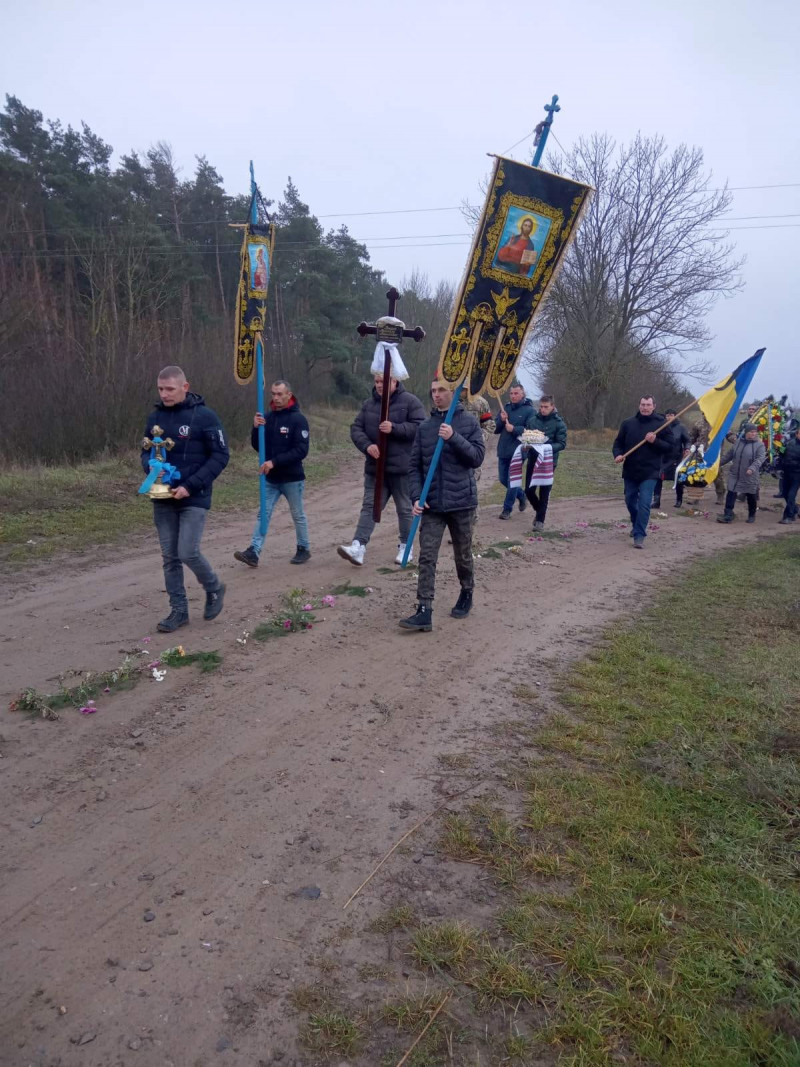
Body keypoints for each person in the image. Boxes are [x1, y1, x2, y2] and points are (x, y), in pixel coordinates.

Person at [141, 366, 229, 633]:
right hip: (163, 498)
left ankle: (214, 587)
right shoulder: (155, 417)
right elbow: (145, 452)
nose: (164, 394)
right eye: (160, 389)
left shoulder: (205, 417)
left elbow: (220, 456)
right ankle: (178, 610)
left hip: (194, 495)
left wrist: (190, 485)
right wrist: (153, 472)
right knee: (169, 557)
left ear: (185, 387)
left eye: (169, 389)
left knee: (187, 551)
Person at [399, 378, 485, 632]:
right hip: (433, 504)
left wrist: (454, 437)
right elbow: (414, 467)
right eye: (433, 390)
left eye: (441, 390)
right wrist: (416, 497)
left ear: (453, 393)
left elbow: (476, 458)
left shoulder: (468, 422)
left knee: (462, 554)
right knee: (427, 556)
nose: (436, 395)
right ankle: (424, 609)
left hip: (461, 503)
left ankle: (467, 591)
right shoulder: (425, 428)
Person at [338, 372, 426, 566]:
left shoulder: (410, 402)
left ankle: (406, 547)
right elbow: (356, 428)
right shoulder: (369, 404)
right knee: (370, 507)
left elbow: (421, 426)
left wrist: (395, 428)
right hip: (375, 468)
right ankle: (358, 546)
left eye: (383, 381)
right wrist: (367, 446)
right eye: (377, 381)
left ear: (395, 381)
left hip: (402, 469)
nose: (379, 385)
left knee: (404, 509)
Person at [233, 380, 311, 567]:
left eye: (279, 394)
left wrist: (274, 462)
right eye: (273, 394)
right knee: (263, 514)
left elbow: (301, 450)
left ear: (289, 395)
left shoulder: (298, 420)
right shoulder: (268, 418)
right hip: (271, 479)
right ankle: (254, 551)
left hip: (292, 478)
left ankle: (303, 548)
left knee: (297, 514)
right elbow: (257, 446)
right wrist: (255, 427)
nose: (276, 398)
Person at [612, 396, 674, 548]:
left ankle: (639, 535)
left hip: (650, 471)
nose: (645, 407)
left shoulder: (661, 424)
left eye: (648, 405)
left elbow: (670, 447)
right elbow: (618, 443)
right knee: (630, 500)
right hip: (631, 470)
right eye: (643, 404)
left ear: (654, 406)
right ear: (639, 405)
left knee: (645, 504)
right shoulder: (628, 423)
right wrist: (618, 454)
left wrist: (655, 441)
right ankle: (636, 522)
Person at [523, 394, 567, 530]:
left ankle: (540, 521)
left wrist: (546, 447)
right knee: (529, 490)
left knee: (544, 492)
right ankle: (539, 510)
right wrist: (526, 444)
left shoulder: (559, 423)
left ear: (552, 407)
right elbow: (527, 437)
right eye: (541, 407)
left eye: (546, 407)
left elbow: (562, 443)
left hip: (549, 461)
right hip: (533, 458)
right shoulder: (532, 421)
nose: (543, 409)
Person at [494, 383, 535, 519]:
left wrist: (515, 429)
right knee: (503, 480)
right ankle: (522, 496)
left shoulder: (530, 411)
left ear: (522, 394)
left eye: (516, 393)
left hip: (519, 451)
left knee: (512, 481)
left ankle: (507, 510)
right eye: (511, 393)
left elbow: (531, 431)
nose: (513, 396)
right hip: (503, 450)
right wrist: (501, 419)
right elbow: (495, 429)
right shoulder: (505, 408)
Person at [717, 424, 766, 524]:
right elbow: (729, 455)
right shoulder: (738, 442)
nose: (753, 434)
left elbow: (760, 459)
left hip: (749, 475)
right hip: (735, 473)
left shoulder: (759, 445)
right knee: (731, 493)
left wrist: (752, 468)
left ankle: (752, 514)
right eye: (751, 432)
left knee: (750, 495)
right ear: (746, 432)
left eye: (754, 432)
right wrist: (718, 464)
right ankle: (728, 515)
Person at [459, 386, 493, 530]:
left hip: (472, 454)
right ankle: (458, 527)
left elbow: (490, 426)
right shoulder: (450, 401)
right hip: (452, 453)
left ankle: (470, 526)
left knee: (470, 489)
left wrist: (478, 440)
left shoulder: (480, 403)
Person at [653, 408, 690, 509]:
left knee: (678, 480)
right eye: (667, 415)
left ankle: (679, 500)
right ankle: (656, 501)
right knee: (658, 478)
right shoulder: (661, 427)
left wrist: (687, 448)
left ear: (675, 416)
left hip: (676, 458)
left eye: (671, 415)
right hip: (662, 457)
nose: (669, 417)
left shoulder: (681, 428)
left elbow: (687, 440)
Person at [778, 424, 800, 524]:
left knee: (791, 495)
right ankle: (795, 509)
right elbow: (782, 455)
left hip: (797, 474)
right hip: (786, 472)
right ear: (797, 434)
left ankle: (789, 516)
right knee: (785, 493)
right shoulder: (789, 443)